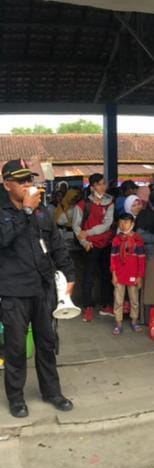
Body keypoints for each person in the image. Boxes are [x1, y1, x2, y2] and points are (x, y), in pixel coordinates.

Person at [1, 160, 77, 418]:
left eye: (29, 180)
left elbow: (57, 246)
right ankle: (16, 398)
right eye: (21, 181)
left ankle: (52, 392)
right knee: (16, 348)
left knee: (46, 342)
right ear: (7, 184)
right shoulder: (5, 212)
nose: (27, 185)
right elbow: (3, 238)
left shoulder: (43, 212)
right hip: (14, 291)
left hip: (43, 289)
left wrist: (69, 275)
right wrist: (25, 211)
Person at [77, 173, 114, 321]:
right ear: (92, 187)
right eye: (99, 184)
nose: (102, 186)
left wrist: (88, 232)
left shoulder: (110, 202)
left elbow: (107, 224)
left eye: (104, 183)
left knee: (107, 275)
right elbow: (76, 227)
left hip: (106, 243)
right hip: (90, 245)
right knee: (89, 276)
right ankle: (88, 307)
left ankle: (106, 305)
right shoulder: (83, 204)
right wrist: (85, 242)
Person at [109, 211, 146, 334]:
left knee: (134, 299)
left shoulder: (137, 239)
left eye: (126, 222)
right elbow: (113, 258)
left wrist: (140, 276)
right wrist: (113, 274)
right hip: (119, 275)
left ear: (132, 223)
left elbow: (141, 259)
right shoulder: (116, 240)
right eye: (121, 222)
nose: (123, 225)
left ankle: (134, 321)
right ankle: (118, 323)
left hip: (133, 274)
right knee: (118, 300)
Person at [136, 190, 154, 317]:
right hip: (149, 255)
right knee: (150, 286)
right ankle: (148, 316)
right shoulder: (143, 215)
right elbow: (139, 236)